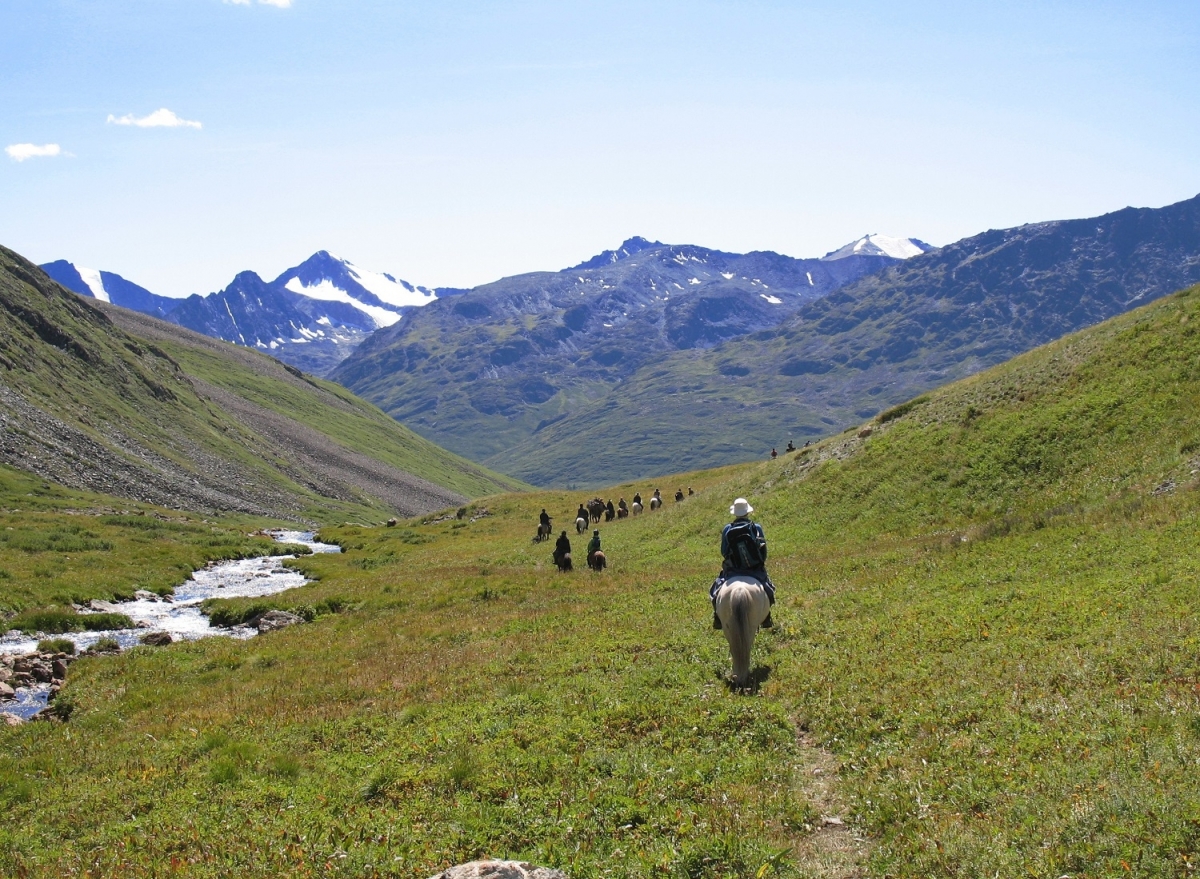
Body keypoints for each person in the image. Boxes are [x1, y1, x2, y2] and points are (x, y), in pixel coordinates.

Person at [710, 497, 774, 630]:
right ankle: (767, 617)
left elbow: (724, 552)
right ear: (747, 512)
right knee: (769, 589)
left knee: (715, 591)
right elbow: (763, 553)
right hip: (754, 569)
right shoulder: (756, 527)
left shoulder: (727, 528)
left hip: (733, 570)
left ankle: (717, 618)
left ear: (735, 513)